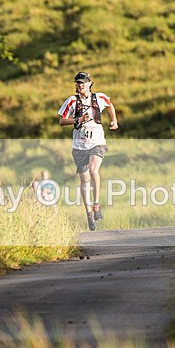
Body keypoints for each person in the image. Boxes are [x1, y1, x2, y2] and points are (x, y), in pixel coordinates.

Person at [58, 71, 118, 230]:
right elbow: (62, 121)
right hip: (79, 146)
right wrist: (78, 120)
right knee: (84, 180)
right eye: (77, 82)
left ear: (90, 83)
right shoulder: (72, 101)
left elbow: (110, 105)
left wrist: (114, 120)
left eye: (83, 82)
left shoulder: (99, 98)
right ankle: (89, 213)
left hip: (97, 142)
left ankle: (97, 204)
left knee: (93, 171)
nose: (80, 85)